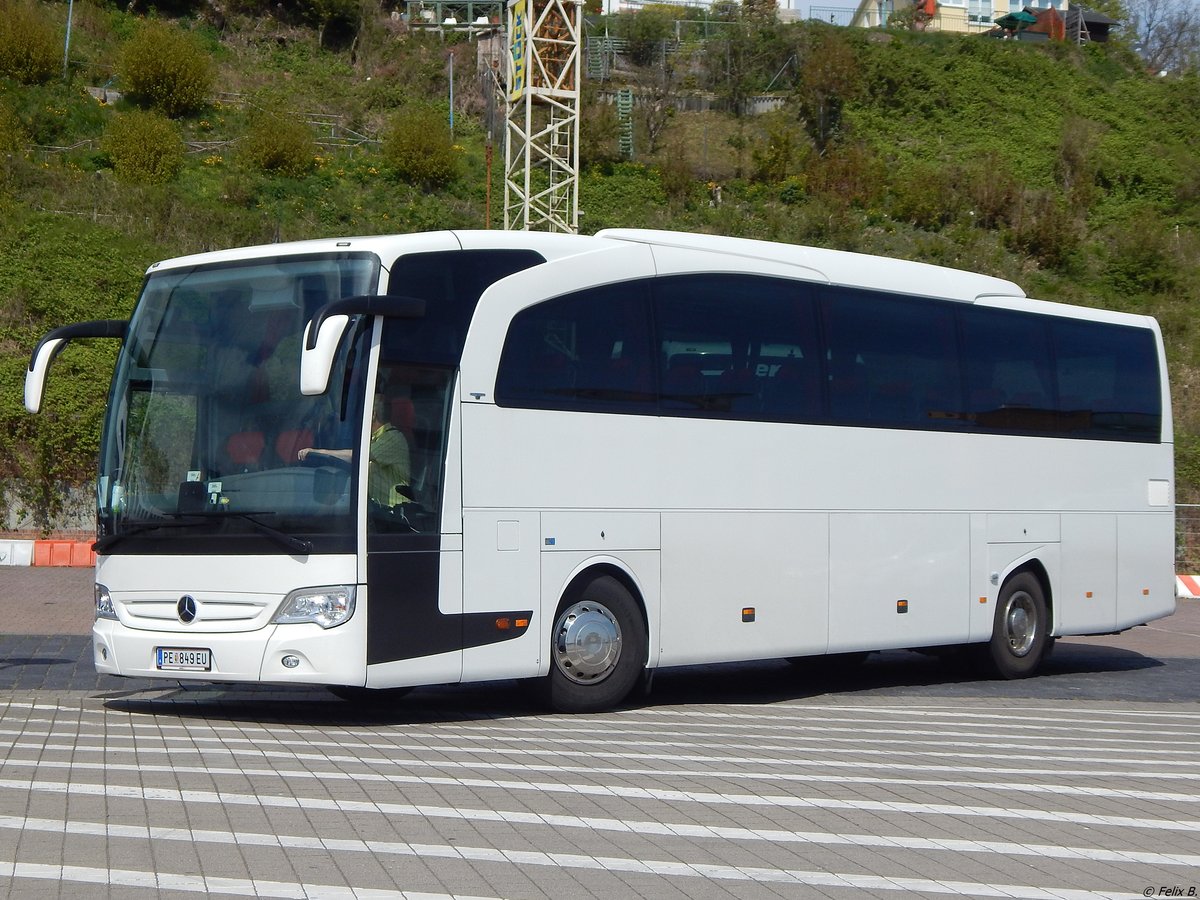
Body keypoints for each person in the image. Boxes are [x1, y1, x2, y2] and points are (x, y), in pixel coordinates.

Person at [298, 395, 411, 506]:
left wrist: (319, 452)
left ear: (372, 415)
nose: (359, 417)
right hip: (378, 509)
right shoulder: (374, 439)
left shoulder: (392, 438)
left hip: (396, 514)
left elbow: (357, 456)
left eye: (363, 412)